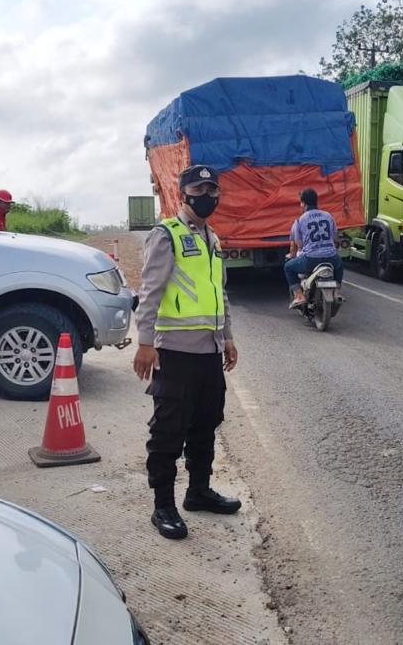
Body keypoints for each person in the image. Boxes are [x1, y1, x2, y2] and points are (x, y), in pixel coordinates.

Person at [133, 165, 240, 540]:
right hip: (175, 353)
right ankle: (163, 505)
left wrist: (227, 337)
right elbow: (150, 291)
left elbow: (219, 292)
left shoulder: (213, 238)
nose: (206, 196)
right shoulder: (167, 235)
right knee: (168, 431)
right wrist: (145, 342)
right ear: (182, 195)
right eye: (199, 190)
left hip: (209, 352)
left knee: (205, 424)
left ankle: (198, 491)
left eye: (212, 190)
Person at [285, 188, 343, 308]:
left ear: (303, 203)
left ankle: (299, 296)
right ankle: (337, 291)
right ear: (316, 201)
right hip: (331, 257)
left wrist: (292, 254)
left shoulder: (300, 220)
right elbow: (335, 238)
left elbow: (299, 245)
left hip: (311, 259)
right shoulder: (328, 216)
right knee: (340, 264)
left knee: (288, 267)